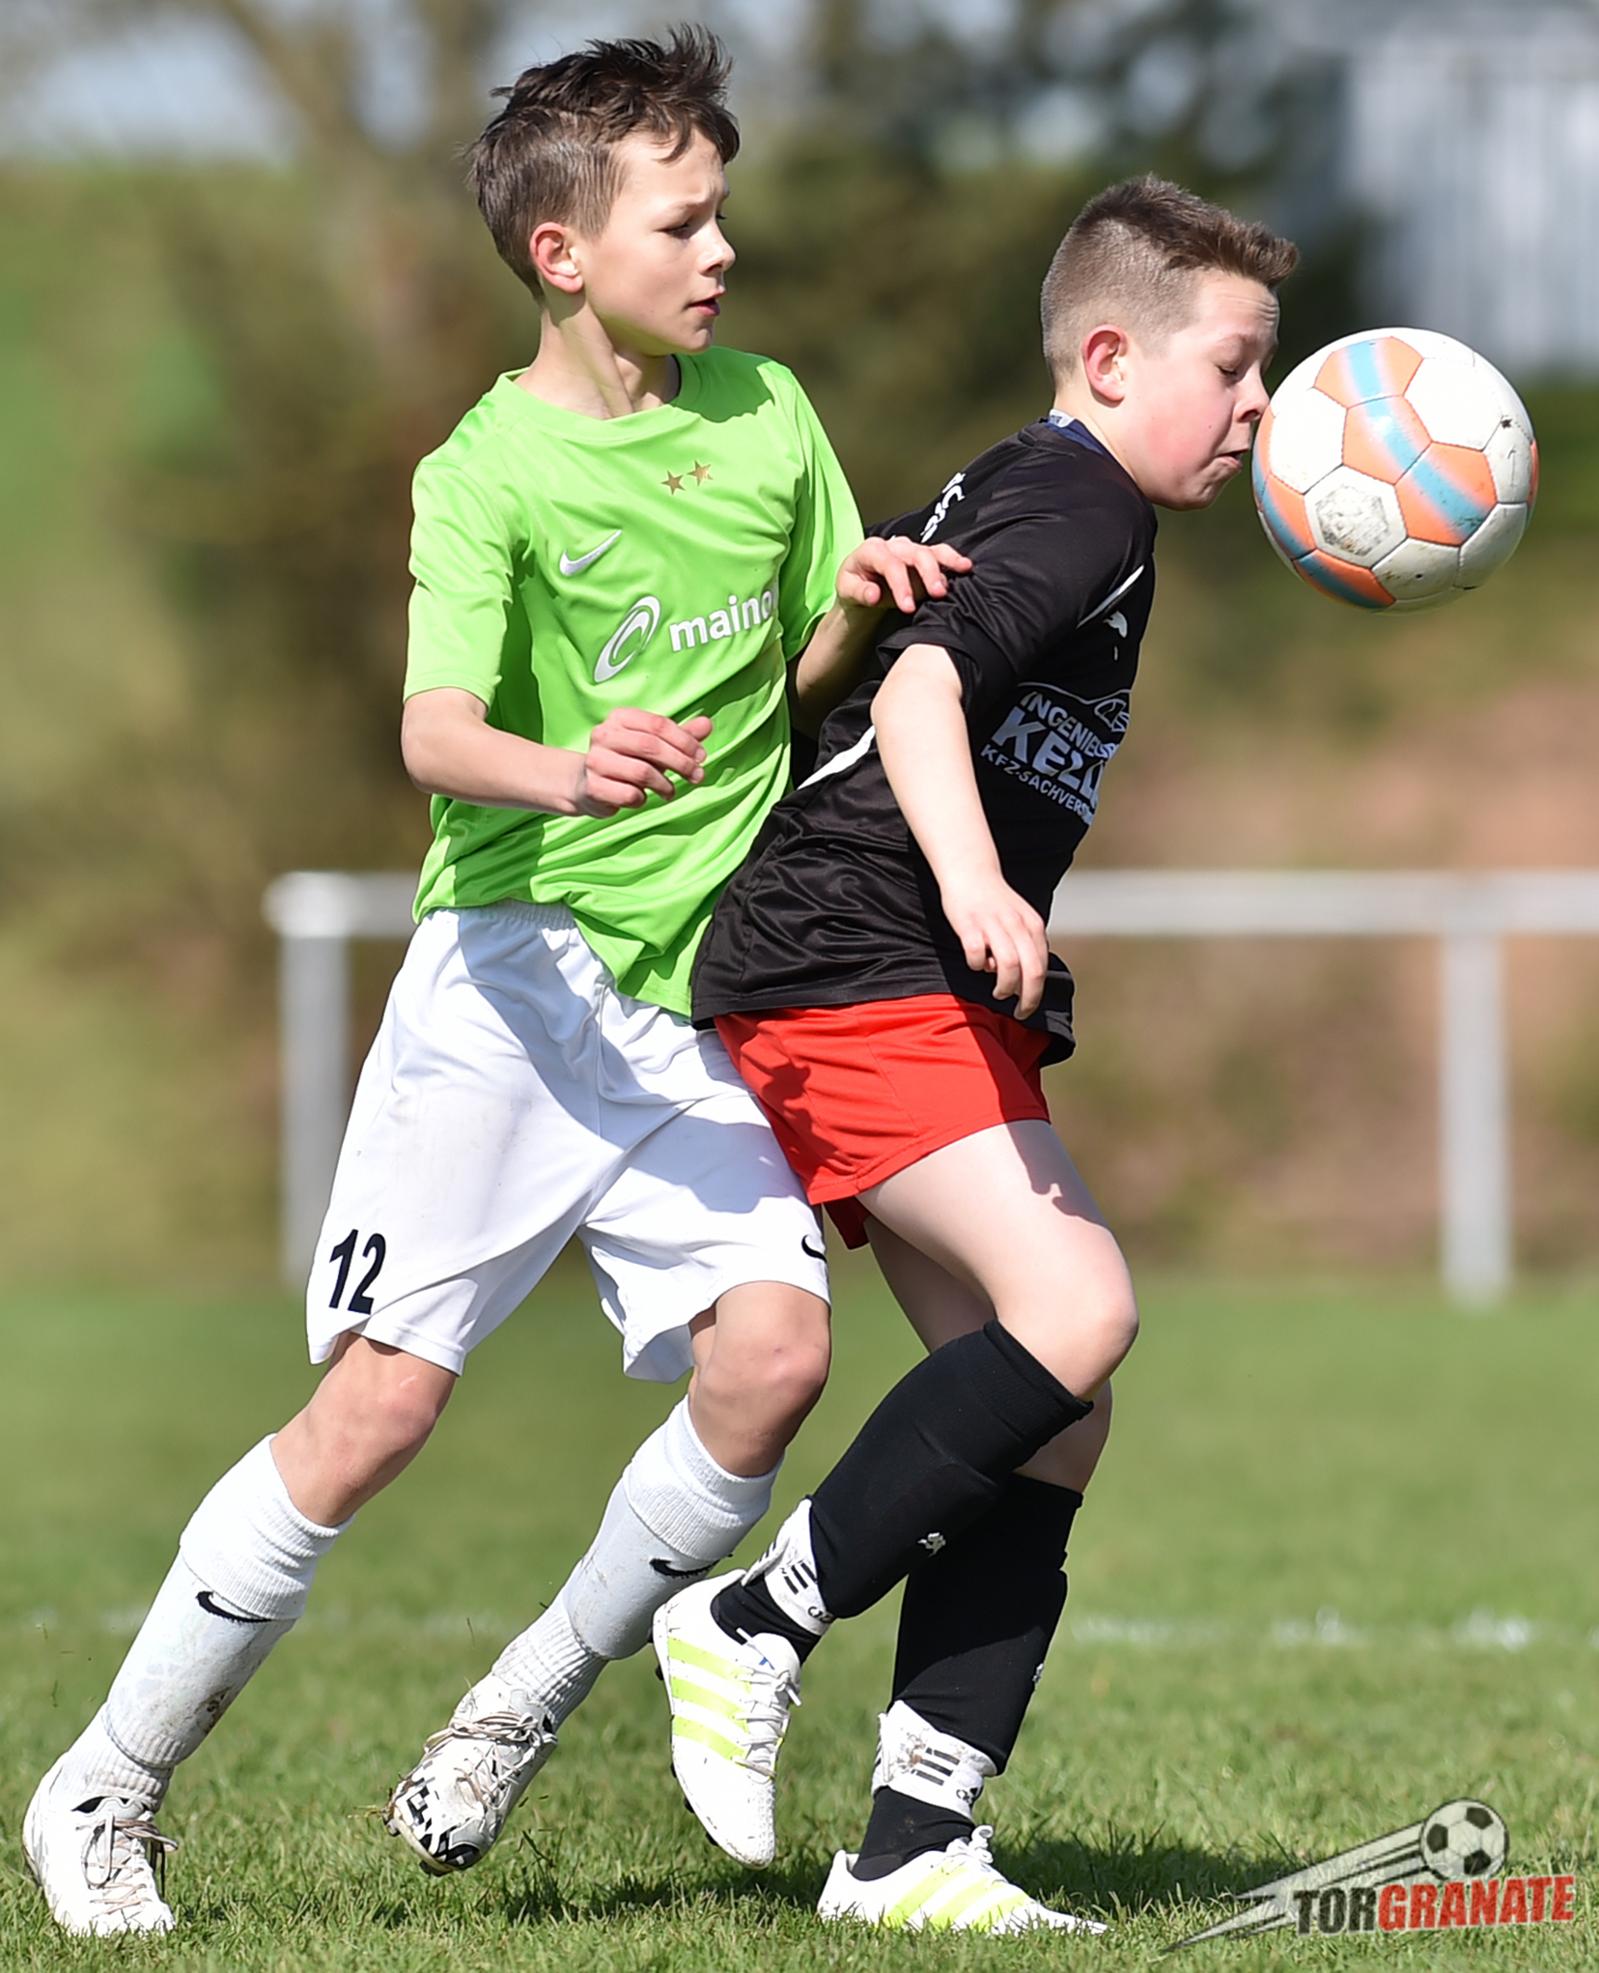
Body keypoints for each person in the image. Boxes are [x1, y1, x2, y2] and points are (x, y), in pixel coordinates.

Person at [22, 29, 966, 1937]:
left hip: (700, 996)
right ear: (563, 252)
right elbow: (434, 732)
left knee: (776, 1360)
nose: (720, 249)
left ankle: (522, 1701)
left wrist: (854, 609)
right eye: (680, 222)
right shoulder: (485, 473)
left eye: (721, 213)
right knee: (378, 1411)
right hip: (513, 986)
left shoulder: (769, 412)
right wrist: (571, 765)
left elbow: (785, 684)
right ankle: (103, 1787)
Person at [653, 174, 1297, 1935]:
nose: (1261, 407)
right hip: (860, 951)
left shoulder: (1043, 487)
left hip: (886, 963)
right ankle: (754, 1618)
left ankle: (914, 1845)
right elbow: (927, 693)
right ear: (1112, 357)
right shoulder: (1084, 502)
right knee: (1079, 1309)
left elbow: (849, 678)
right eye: (1234, 367)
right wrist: (973, 880)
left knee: (1057, 1415)